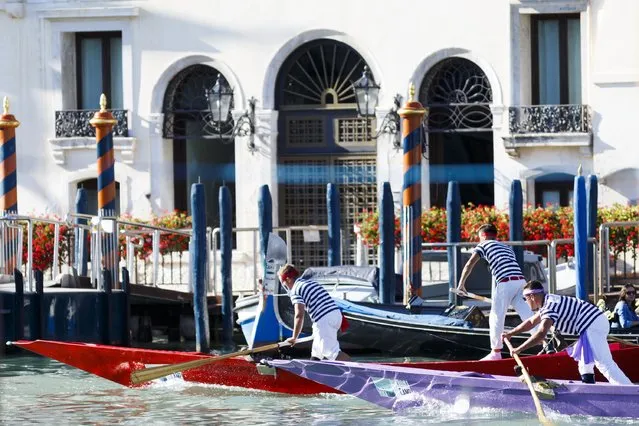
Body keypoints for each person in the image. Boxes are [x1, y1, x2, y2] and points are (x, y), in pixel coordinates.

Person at [502, 280, 631, 385]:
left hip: (592, 324)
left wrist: (519, 349)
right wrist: (510, 334)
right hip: (591, 325)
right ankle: (588, 388)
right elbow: (531, 322)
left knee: (604, 363)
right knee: (584, 364)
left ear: (532, 296)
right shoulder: (547, 300)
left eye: (525, 298)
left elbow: (541, 333)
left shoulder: (549, 306)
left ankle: (629, 392)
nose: (526, 302)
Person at [456, 223, 534, 361]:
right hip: (521, 281)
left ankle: (496, 352)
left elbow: (469, 264)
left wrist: (461, 285)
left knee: (496, 316)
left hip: (505, 282)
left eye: (479, 237)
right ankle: (546, 342)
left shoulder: (483, 245)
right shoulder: (507, 248)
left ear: (483, 236)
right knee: (528, 315)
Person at [278, 263, 350, 361]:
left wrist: (294, 337)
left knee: (331, 353)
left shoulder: (295, 290)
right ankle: (311, 373)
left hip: (324, 318)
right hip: (334, 315)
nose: (284, 285)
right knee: (317, 352)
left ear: (288, 279)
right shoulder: (309, 283)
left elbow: (299, 315)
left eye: (283, 282)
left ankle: (360, 373)